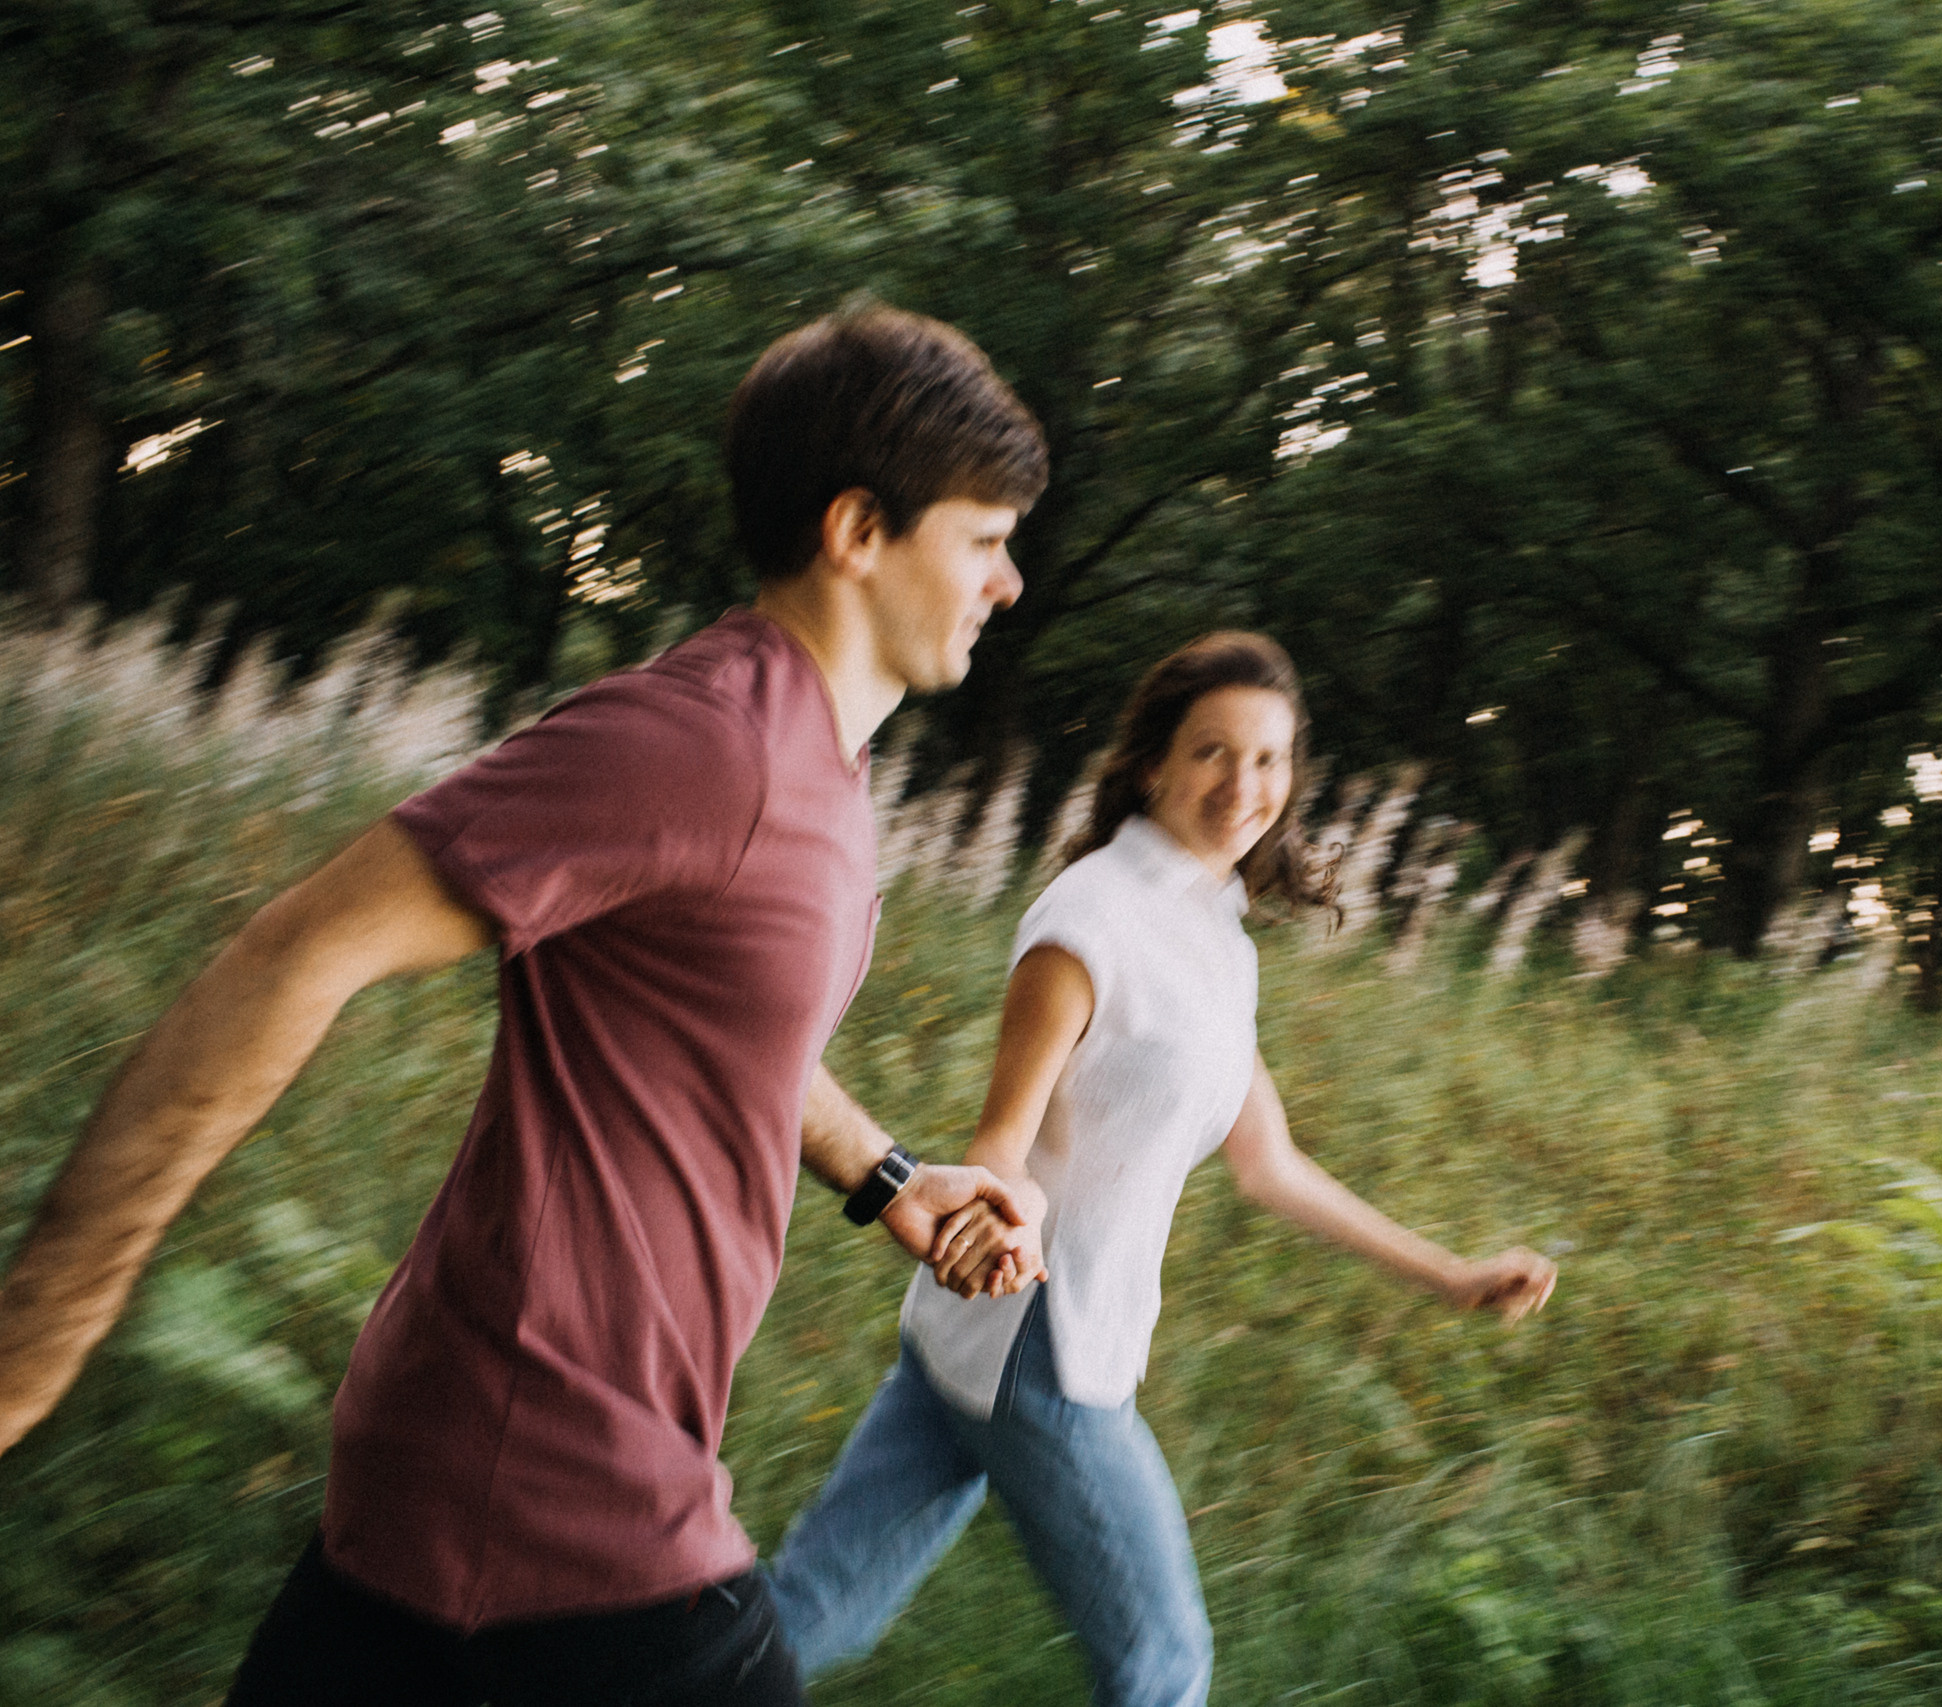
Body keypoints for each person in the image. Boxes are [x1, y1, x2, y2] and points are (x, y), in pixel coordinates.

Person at [0, 305, 1054, 1706]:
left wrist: (890, 1178)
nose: (1010, 581)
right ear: (860, 529)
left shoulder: (816, 766)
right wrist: (35, 1334)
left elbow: (730, 1019)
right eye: (983, 539)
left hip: (485, 1470)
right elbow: (292, 952)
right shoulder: (703, 746)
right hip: (556, 1478)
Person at [765, 631, 1560, 1707]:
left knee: (812, 1615)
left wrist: (1449, 1273)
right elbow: (1003, 1135)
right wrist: (1005, 1221)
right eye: (1212, 753)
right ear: (1151, 763)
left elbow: (1267, 1162)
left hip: (977, 1348)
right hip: (1044, 1344)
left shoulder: (1213, 938)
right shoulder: (1088, 921)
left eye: (1269, 759)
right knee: (1164, 1662)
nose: (1244, 786)